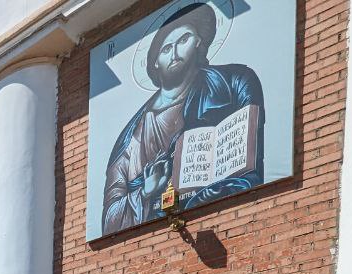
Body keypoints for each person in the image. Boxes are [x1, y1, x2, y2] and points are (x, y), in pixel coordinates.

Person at [101, 1, 265, 234]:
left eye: (183, 40)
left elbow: (247, 173)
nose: (175, 53)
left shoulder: (233, 84)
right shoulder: (130, 137)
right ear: (155, 62)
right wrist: (146, 192)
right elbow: (110, 218)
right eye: (166, 49)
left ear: (199, 42)